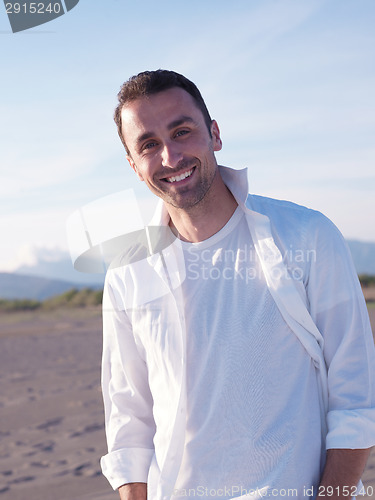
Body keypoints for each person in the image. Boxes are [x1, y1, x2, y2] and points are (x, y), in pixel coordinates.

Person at [100, 70, 375, 500]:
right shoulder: (127, 272)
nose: (170, 156)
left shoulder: (306, 236)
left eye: (182, 131)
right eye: (149, 144)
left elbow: (358, 396)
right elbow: (129, 419)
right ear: (135, 166)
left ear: (214, 134)